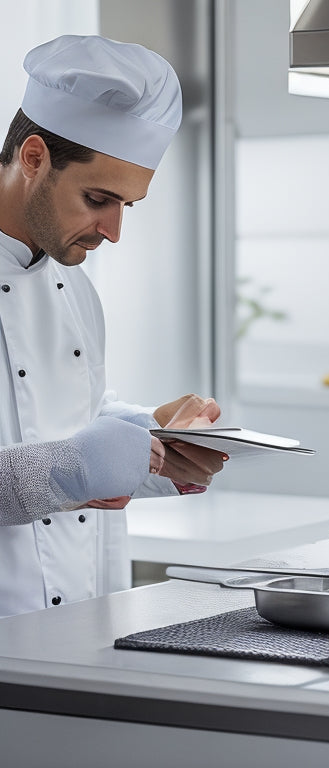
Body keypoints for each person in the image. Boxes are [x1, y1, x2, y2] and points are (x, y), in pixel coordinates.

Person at [0, 35, 226, 617]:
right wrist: (65, 469)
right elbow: (59, 461)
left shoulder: (74, 286)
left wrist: (156, 440)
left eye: (127, 205)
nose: (114, 231)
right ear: (33, 158)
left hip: (82, 624)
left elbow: (68, 423)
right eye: (98, 198)